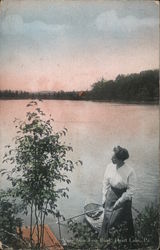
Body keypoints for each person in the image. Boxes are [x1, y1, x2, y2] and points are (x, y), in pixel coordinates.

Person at [99, 146, 136, 240]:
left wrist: (120, 201)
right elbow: (105, 182)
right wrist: (104, 197)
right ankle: (105, 240)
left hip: (124, 198)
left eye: (114, 158)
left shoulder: (130, 171)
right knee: (107, 218)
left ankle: (124, 242)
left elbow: (131, 190)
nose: (111, 158)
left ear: (120, 159)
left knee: (121, 220)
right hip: (111, 195)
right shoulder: (109, 166)